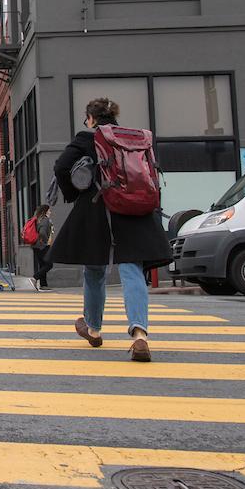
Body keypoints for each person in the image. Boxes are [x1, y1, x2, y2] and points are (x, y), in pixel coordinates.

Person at [49, 97, 172, 362]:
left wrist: (73, 194)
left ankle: (93, 329)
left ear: (91, 118)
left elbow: (60, 167)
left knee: (94, 269)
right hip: (136, 210)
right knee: (132, 269)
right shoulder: (136, 138)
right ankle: (140, 335)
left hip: (99, 208)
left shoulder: (88, 137)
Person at [28, 204, 55, 291]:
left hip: (36, 246)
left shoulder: (37, 218)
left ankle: (43, 285)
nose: (50, 212)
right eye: (49, 210)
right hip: (42, 246)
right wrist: (46, 241)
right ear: (45, 211)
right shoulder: (45, 220)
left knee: (42, 264)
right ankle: (34, 278)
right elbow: (42, 232)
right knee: (49, 264)